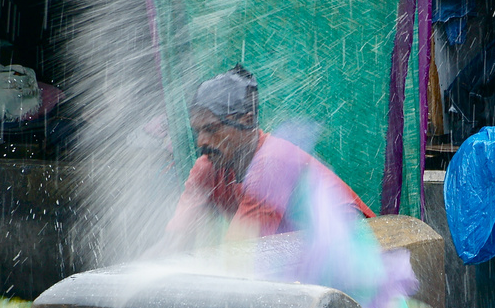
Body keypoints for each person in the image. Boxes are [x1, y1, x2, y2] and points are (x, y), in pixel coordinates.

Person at [156, 66, 373, 251]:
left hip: (362, 255)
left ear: (248, 121)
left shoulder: (273, 163)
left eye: (211, 129)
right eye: (197, 132)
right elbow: (174, 241)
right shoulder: (208, 167)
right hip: (303, 264)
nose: (201, 141)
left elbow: (237, 256)